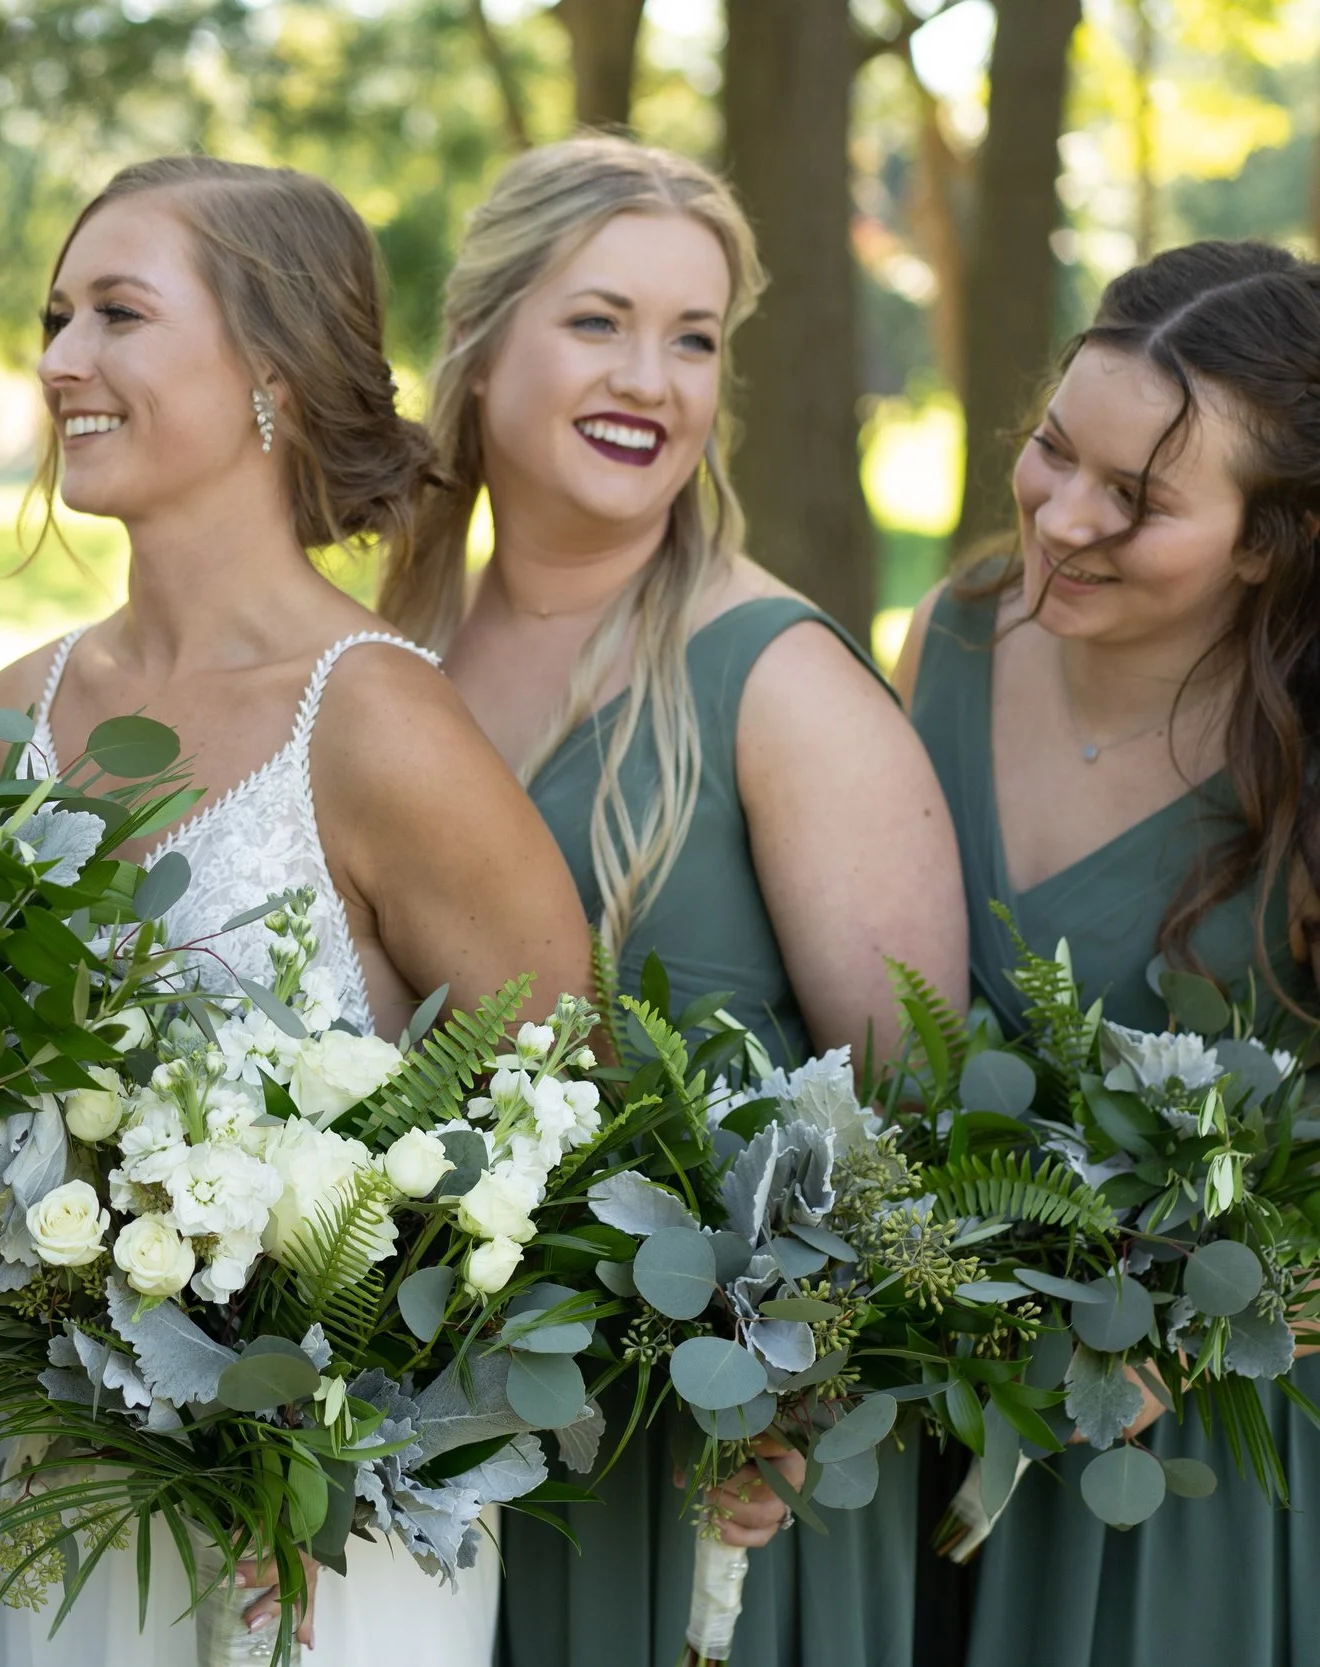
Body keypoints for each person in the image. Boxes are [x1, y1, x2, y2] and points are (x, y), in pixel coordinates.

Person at [0, 154, 594, 1666]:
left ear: (273, 374)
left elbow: (551, 1131)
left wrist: (330, 1439)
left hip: (319, 1544)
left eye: (118, 313)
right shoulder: (7, 719)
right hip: (50, 1498)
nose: (61, 362)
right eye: (57, 316)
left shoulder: (376, 724)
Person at [376, 137, 966, 1667]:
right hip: (430, 1471)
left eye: (693, 340)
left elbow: (927, 1120)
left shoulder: (781, 682)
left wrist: (805, 1384)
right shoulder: (396, 649)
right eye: (600, 321)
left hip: (711, 1480)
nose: (652, 377)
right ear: (485, 340)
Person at [895, 237, 1320, 1667]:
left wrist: (1207, 1321)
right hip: (920, 1421)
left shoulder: (1303, 768)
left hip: (1194, 1468)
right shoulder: (949, 636)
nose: (1062, 518)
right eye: (1053, 451)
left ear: (1271, 539)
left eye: (1135, 498)